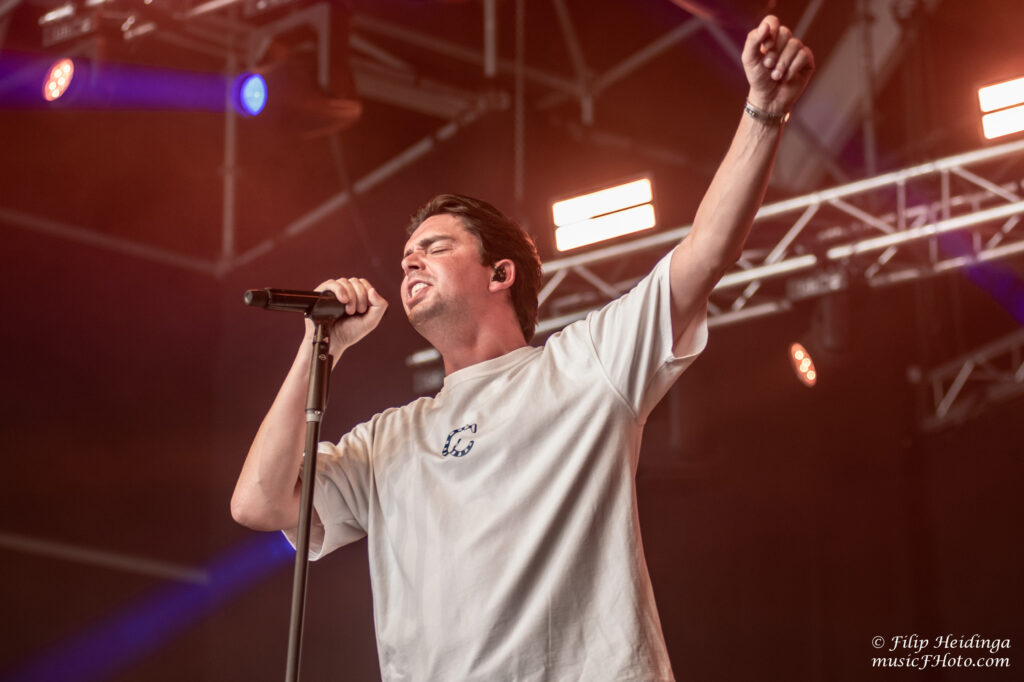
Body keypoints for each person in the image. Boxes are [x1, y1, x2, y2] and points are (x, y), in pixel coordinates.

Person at [232, 15, 814, 681]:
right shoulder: (388, 440)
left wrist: (764, 111)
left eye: (435, 247)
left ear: (500, 274)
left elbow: (704, 254)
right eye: (406, 255)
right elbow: (258, 502)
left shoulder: (586, 365)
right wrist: (317, 347)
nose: (410, 262)